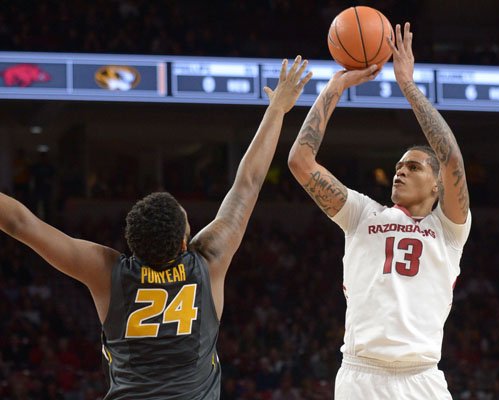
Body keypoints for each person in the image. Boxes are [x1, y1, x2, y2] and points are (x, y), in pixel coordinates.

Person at [0, 56, 312, 399]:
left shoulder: (107, 271)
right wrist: (278, 109)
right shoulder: (208, 260)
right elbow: (248, 182)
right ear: (184, 243)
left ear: (132, 243)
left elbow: (18, 222)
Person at [288, 23, 471, 399]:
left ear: (437, 185)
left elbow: (451, 158)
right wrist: (335, 87)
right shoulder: (362, 215)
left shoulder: (450, 228)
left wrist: (407, 85)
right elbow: (300, 161)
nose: (400, 171)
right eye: (398, 166)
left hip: (422, 378)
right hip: (362, 376)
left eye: (414, 166)